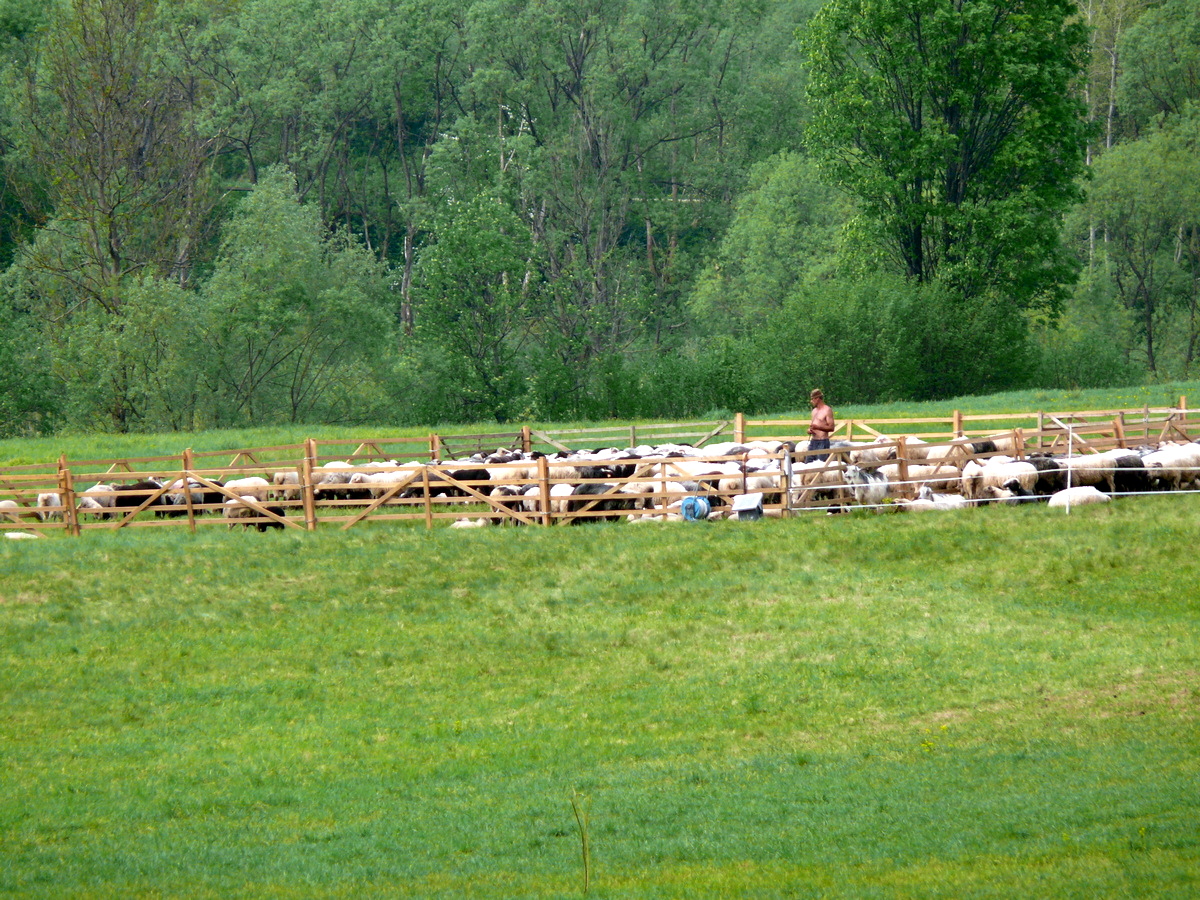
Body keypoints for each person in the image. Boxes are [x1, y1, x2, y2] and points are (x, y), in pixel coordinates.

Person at [807, 389, 834, 461]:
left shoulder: (827, 410)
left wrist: (818, 427)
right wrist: (809, 430)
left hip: (823, 442)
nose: (811, 401)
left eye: (812, 399)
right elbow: (812, 424)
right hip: (813, 441)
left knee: (821, 465)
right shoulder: (814, 411)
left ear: (817, 399)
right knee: (808, 463)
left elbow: (831, 427)